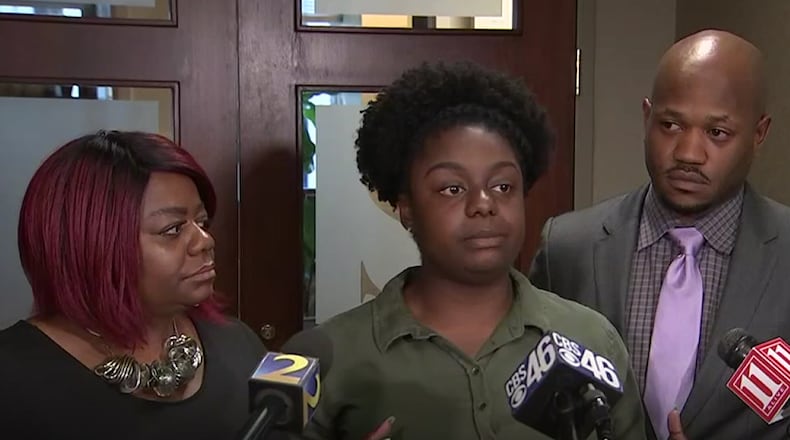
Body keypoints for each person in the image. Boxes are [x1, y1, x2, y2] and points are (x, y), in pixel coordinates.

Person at [301, 62, 646, 440]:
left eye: (502, 186)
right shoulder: (331, 358)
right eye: (452, 188)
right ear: (407, 208)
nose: (483, 204)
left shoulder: (593, 341)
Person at [528, 29, 789, 439]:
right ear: (647, 116)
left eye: (717, 133)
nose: (688, 152)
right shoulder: (567, 247)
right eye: (670, 124)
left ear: (759, 133)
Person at [0, 131, 267, 439]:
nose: (205, 241)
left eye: (202, 222)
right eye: (173, 229)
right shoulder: (13, 376)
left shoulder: (237, 344)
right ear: (93, 244)